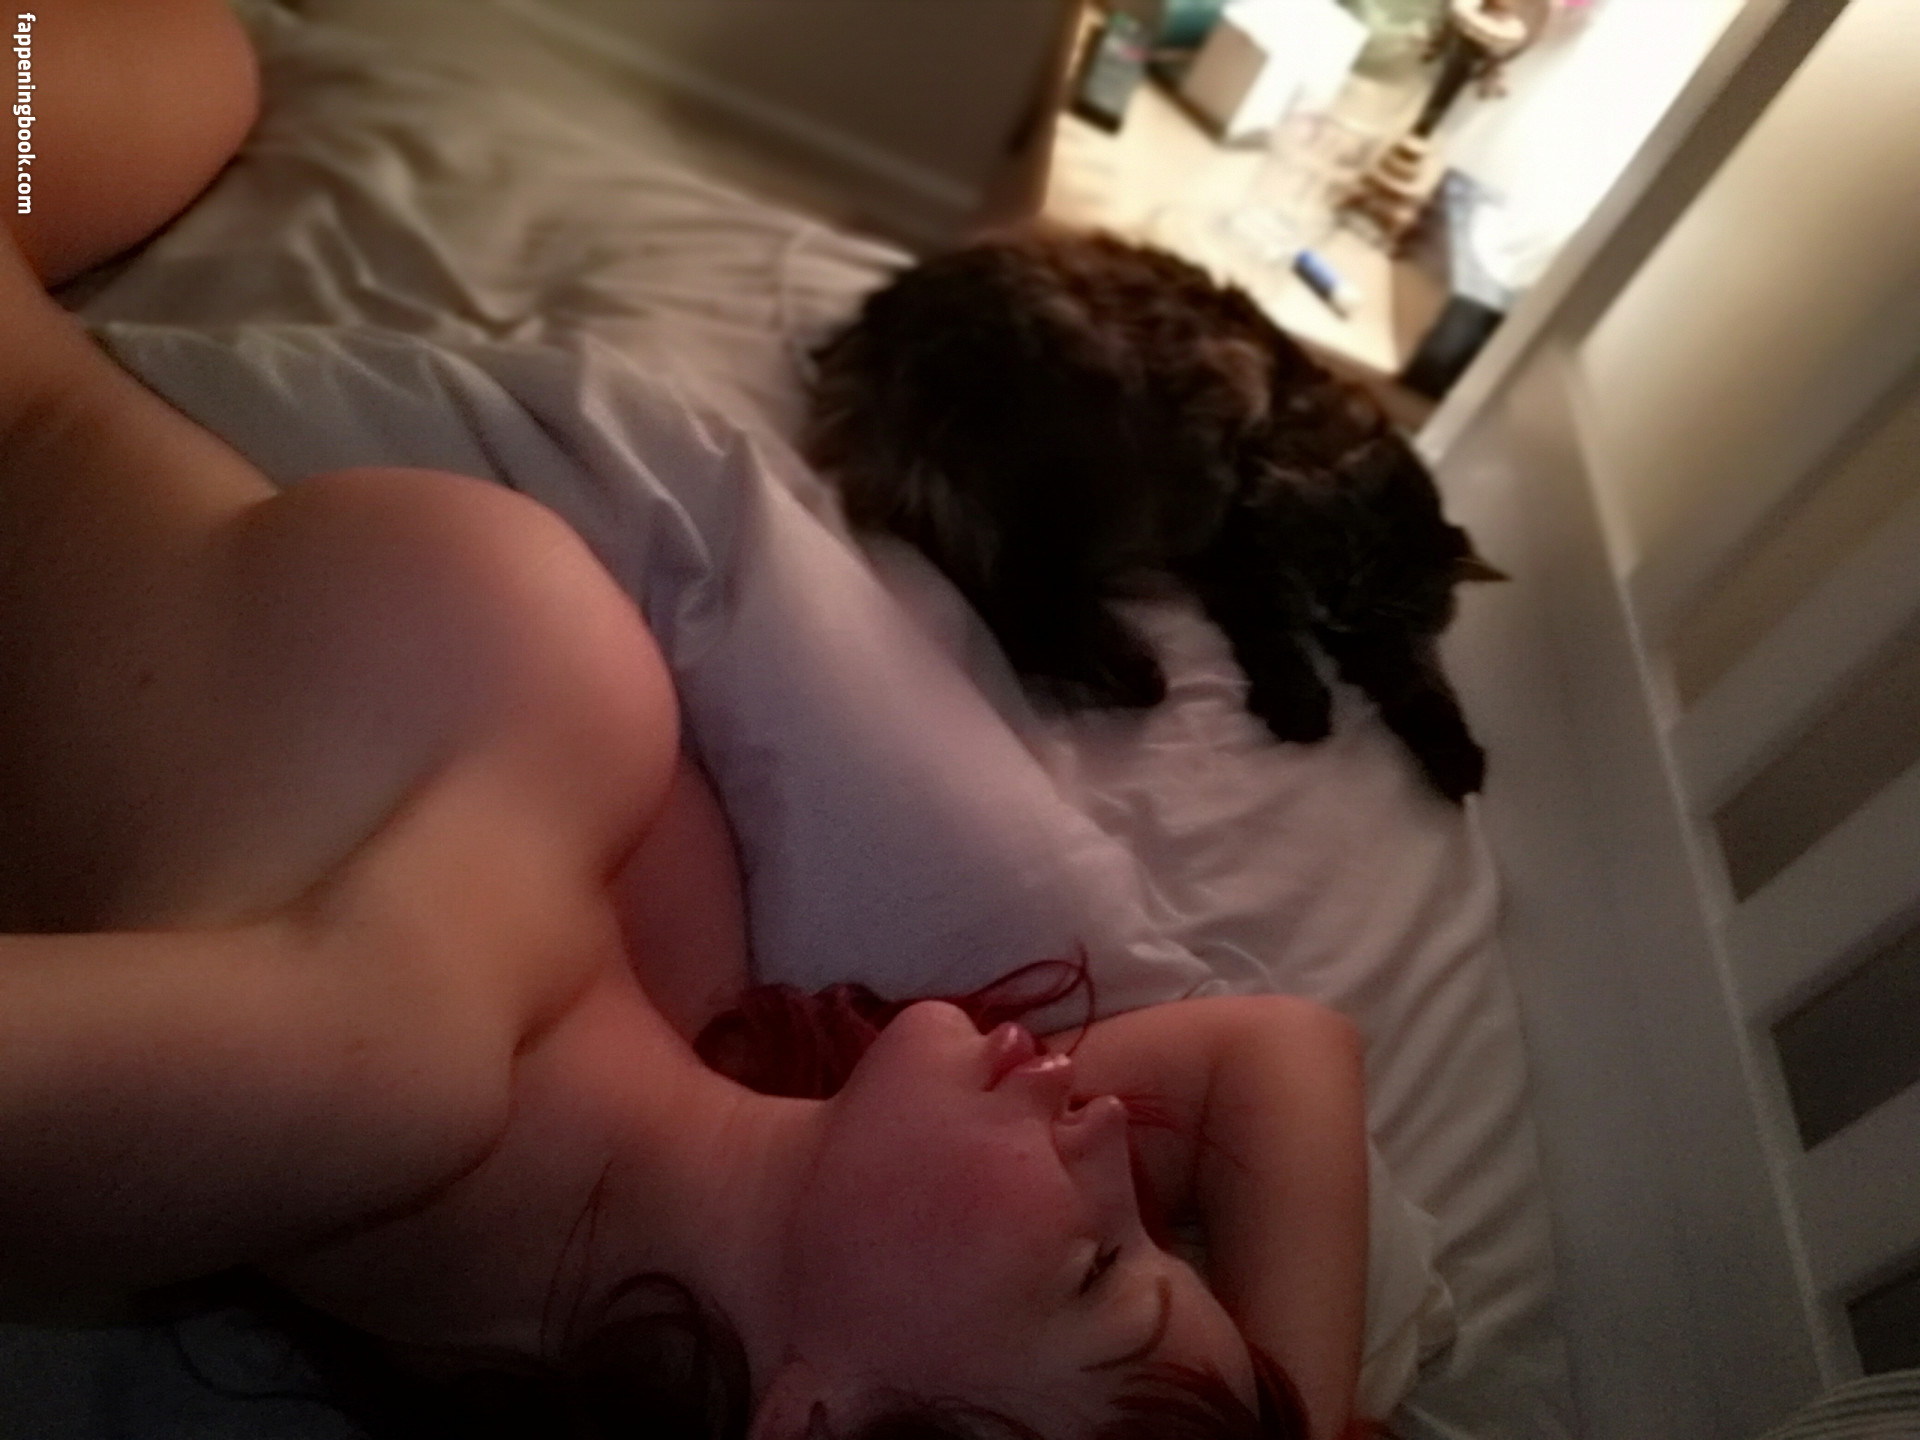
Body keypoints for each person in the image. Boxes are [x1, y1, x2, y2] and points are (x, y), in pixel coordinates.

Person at [0, 4, 1372, 1439]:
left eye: (1100, 1266)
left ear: (823, 1421)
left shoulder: (394, 1071)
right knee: (204, 55)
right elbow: (1280, 1057)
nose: (1110, 1148)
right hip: (58, 327)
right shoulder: (693, 1078)